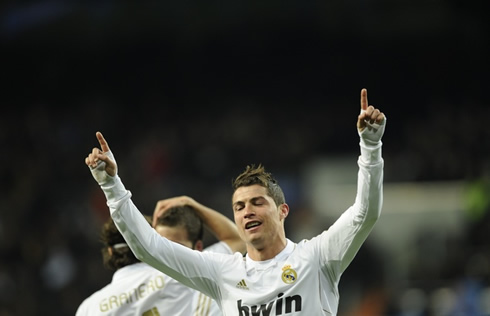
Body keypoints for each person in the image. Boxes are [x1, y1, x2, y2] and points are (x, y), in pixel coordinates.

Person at [85, 88, 386, 315]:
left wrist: (370, 146)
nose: (247, 212)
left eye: (257, 202)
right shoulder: (222, 273)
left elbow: (365, 213)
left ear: (282, 210)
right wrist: (111, 184)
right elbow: (149, 247)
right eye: (239, 207)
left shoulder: (318, 258)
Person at [76, 199, 245, 316]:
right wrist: (191, 203)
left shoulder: (89, 308)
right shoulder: (178, 272)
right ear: (146, 244)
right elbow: (238, 240)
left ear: (110, 252)